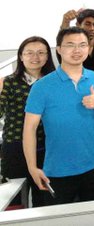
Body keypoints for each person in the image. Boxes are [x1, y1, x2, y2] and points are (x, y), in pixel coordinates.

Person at [23, 27, 94, 205]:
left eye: (82, 45)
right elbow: (29, 129)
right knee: (58, 217)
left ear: (89, 48)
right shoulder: (41, 86)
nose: (77, 50)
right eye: (70, 45)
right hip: (57, 170)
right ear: (59, 49)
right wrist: (32, 167)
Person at [0, 37, 55, 207]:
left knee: (44, 198)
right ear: (21, 56)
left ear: (48, 56)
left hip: (46, 147)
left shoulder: (54, 82)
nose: (35, 57)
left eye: (40, 53)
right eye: (29, 53)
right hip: (15, 147)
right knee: (15, 200)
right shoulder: (8, 82)